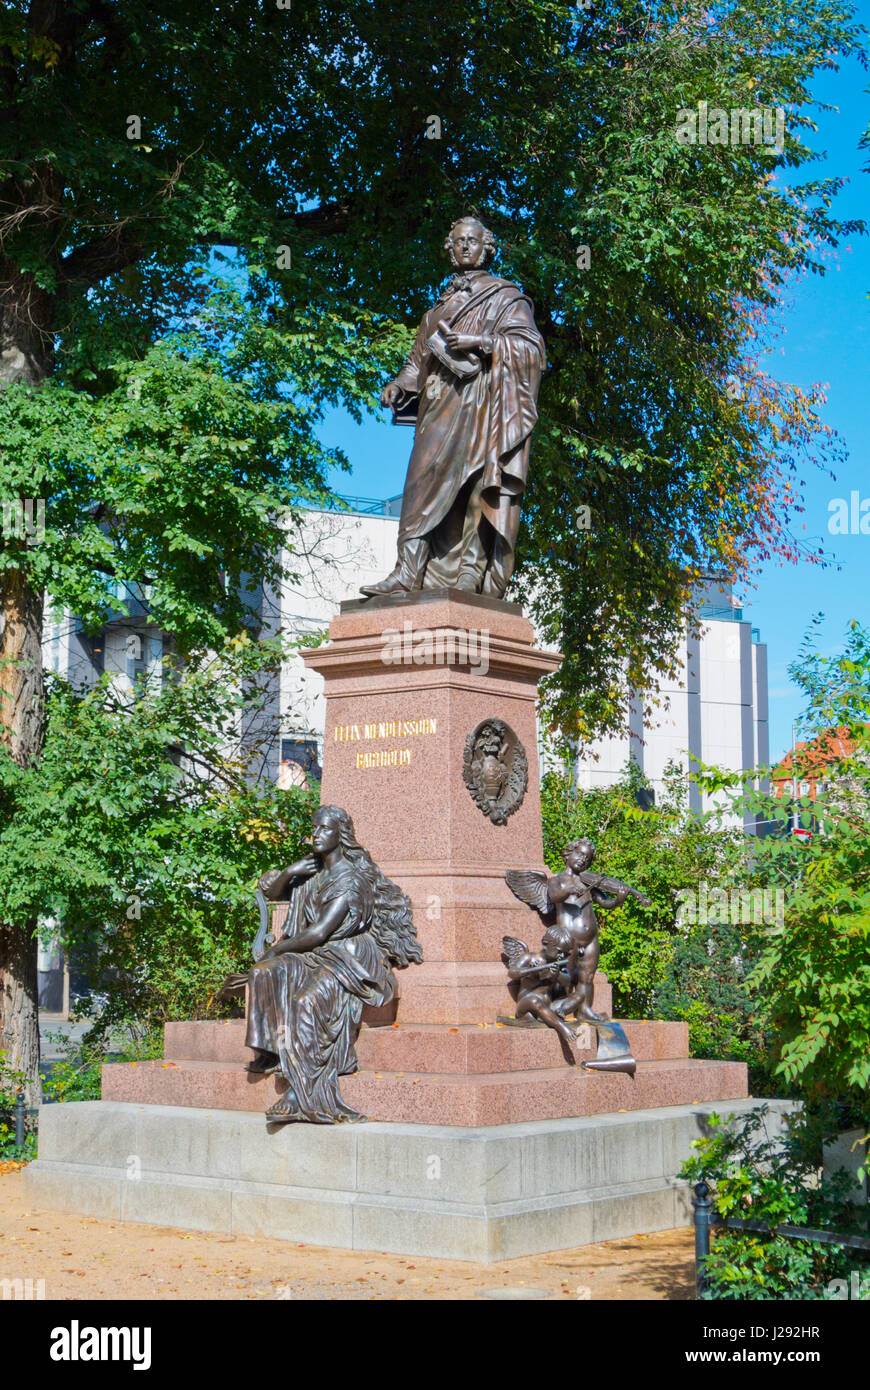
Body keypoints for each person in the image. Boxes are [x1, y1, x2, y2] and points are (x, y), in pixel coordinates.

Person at [360, 216, 545, 600]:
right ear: (449, 248)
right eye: (458, 241)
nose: (464, 247)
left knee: (478, 485)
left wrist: (478, 340)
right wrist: (398, 384)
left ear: (486, 248)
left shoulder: (505, 297)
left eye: (472, 241)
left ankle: (469, 573)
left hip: (483, 405)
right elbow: (416, 364)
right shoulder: (434, 312)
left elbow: (531, 350)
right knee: (418, 486)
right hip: (437, 407)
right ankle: (407, 571)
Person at [244, 805, 421, 1123]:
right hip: (314, 951)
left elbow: (320, 931)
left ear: (341, 836)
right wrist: (290, 872)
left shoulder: (350, 879)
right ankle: (272, 1052)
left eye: (324, 829)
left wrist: (277, 949)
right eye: (314, 828)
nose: (316, 834)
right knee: (261, 973)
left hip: (347, 955)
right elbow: (274, 892)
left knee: (306, 1001)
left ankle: (300, 1091)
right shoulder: (312, 875)